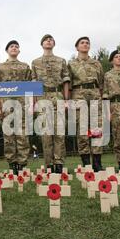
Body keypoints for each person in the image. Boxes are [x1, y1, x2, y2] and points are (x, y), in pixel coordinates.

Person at [31, 34, 70, 174]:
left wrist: (66, 100)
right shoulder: (35, 62)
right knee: (46, 134)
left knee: (59, 132)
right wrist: (34, 103)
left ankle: (59, 164)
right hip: (43, 97)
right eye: (46, 40)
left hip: (58, 95)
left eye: (51, 39)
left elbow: (66, 81)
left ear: (54, 43)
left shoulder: (61, 61)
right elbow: (34, 84)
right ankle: (49, 164)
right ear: (42, 44)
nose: (48, 41)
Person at [68, 37, 105, 172]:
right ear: (77, 47)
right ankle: (86, 163)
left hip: (95, 95)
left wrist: (101, 99)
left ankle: (97, 163)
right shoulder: (71, 64)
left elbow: (101, 84)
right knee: (82, 130)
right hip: (78, 95)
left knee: (97, 130)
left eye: (87, 43)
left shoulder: (96, 63)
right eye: (82, 43)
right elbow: (69, 85)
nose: (85, 44)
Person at [0, 40, 32, 175]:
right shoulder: (0, 67)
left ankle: (22, 166)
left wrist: (29, 106)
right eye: (12, 46)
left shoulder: (25, 67)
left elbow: (30, 88)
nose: (14, 48)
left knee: (23, 136)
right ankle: (12, 166)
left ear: (19, 51)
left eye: (17, 46)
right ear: (7, 50)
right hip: (6, 106)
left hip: (22, 106)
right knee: (9, 137)